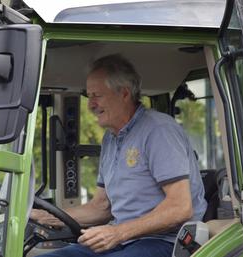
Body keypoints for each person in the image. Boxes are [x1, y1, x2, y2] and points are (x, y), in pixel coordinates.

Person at [31, 54, 207, 257]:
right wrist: (47, 217)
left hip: (164, 242)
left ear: (124, 94)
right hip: (124, 240)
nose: (90, 105)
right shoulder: (111, 138)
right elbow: (101, 207)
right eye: (89, 96)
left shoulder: (158, 130)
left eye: (97, 95)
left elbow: (180, 207)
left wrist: (117, 233)